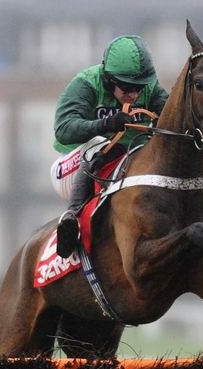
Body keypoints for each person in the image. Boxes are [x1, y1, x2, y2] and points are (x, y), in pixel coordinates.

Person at [50, 35, 169, 258]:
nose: (134, 94)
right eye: (126, 87)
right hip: (71, 170)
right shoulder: (86, 84)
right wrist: (105, 124)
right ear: (108, 78)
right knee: (102, 144)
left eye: (139, 88)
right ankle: (71, 217)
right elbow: (64, 128)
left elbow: (171, 114)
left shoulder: (149, 88)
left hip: (123, 166)